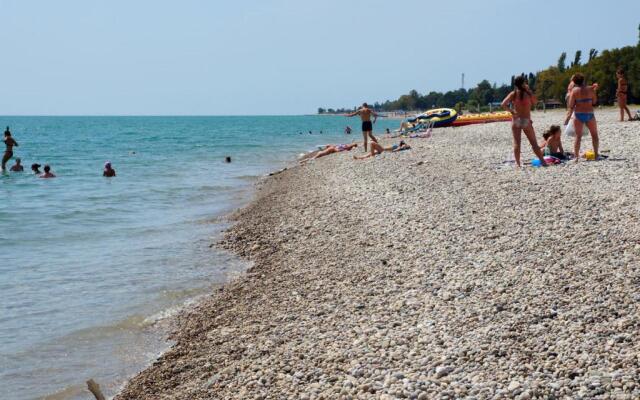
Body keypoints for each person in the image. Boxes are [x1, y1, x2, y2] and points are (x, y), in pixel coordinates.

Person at [501, 76, 547, 167]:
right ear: (523, 83)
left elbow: (503, 104)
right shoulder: (528, 93)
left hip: (516, 119)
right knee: (534, 143)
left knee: (517, 143)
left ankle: (518, 164)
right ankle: (543, 162)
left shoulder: (513, 94)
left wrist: (512, 111)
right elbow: (535, 102)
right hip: (526, 120)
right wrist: (528, 90)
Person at [564, 73, 599, 161]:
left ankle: (576, 157)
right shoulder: (590, 89)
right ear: (583, 80)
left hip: (578, 114)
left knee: (578, 136)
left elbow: (571, 105)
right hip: (590, 114)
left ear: (575, 82)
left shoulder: (574, 91)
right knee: (594, 135)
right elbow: (594, 101)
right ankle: (596, 155)